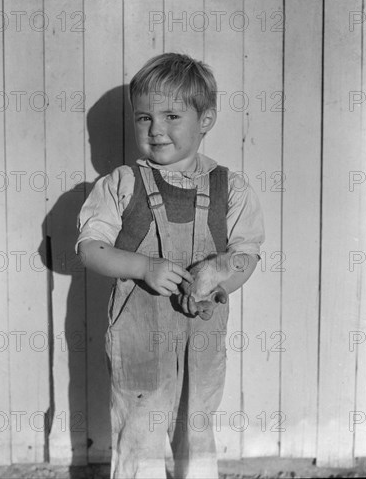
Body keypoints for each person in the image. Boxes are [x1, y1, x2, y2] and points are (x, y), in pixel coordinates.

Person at [76, 53, 265, 479]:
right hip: (139, 341)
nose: (156, 129)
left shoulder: (230, 187)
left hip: (201, 339)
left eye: (171, 115)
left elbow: (246, 254)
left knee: (196, 429)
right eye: (144, 118)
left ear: (206, 119)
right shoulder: (121, 184)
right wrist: (143, 267)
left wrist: (218, 277)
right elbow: (90, 248)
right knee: (139, 433)